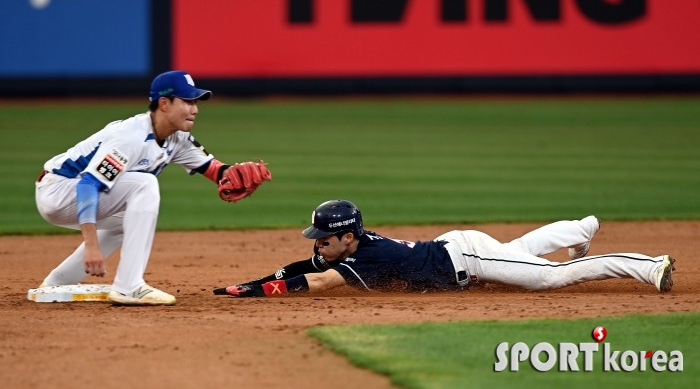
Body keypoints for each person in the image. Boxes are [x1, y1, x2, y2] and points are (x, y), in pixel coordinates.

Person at [36, 70, 271, 306]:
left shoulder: (178, 138)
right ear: (164, 104)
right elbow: (88, 185)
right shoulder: (130, 137)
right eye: (187, 101)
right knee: (145, 184)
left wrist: (231, 174)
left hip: (76, 192)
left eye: (195, 102)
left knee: (128, 218)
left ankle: (60, 280)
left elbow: (214, 169)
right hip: (59, 190)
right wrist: (91, 245)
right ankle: (129, 286)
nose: (195, 109)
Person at [214, 199, 675, 298]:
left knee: (547, 277)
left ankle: (649, 266)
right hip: (460, 251)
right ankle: (581, 226)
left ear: (348, 237)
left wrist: (257, 295)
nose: (320, 245)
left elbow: (313, 281)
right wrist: (250, 282)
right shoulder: (346, 247)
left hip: (466, 257)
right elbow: (300, 264)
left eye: (325, 238)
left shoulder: (362, 256)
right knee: (518, 252)